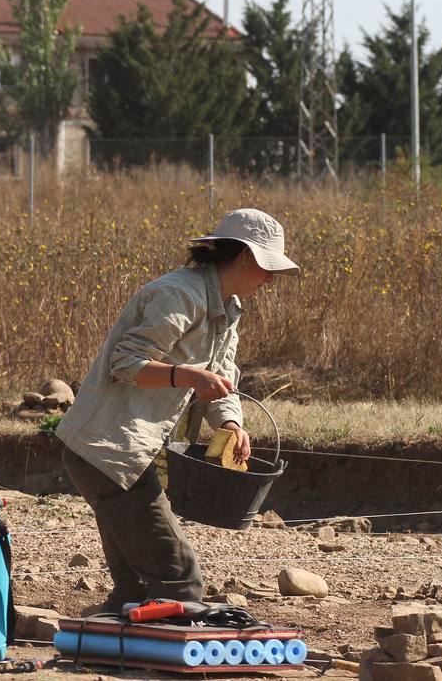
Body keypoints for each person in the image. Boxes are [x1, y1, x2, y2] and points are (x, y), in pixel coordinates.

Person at [54, 208, 297, 614]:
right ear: (243, 257)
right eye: (267, 267)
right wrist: (186, 375)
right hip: (107, 449)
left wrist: (232, 422)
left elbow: (220, 376)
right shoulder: (178, 294)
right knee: (180, 580)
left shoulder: (227, 307)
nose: (271, 278)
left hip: (128, 453)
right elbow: (126, 363)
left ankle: (108, 648)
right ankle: (162, 661)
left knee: (133, 590)